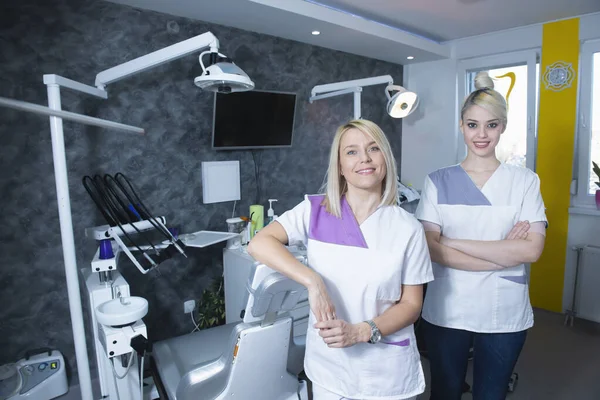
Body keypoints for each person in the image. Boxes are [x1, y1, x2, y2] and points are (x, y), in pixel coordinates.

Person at [248, 119, 434, 400]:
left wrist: (362, 331)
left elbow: (411, 305)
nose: (365, 159)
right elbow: (259, 243)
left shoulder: (408, 228)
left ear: (385, 157)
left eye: (373, 148)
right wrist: (313, 281)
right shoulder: (315, 211)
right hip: (329, 369)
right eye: (352, 152)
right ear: (339, 166)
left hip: (384, 370)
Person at [415, 71, 547, 400]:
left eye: (491, 124)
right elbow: (430, 249)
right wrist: (503, 252)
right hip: (448, 308)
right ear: (462, 126)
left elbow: (531, 251)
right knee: (445, 391)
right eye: (473, 124)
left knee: (491, 393)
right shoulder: (437, 181)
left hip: (504, 309)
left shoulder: (525, 181)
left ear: (502, 126)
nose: (482, 134)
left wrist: (451, 240)